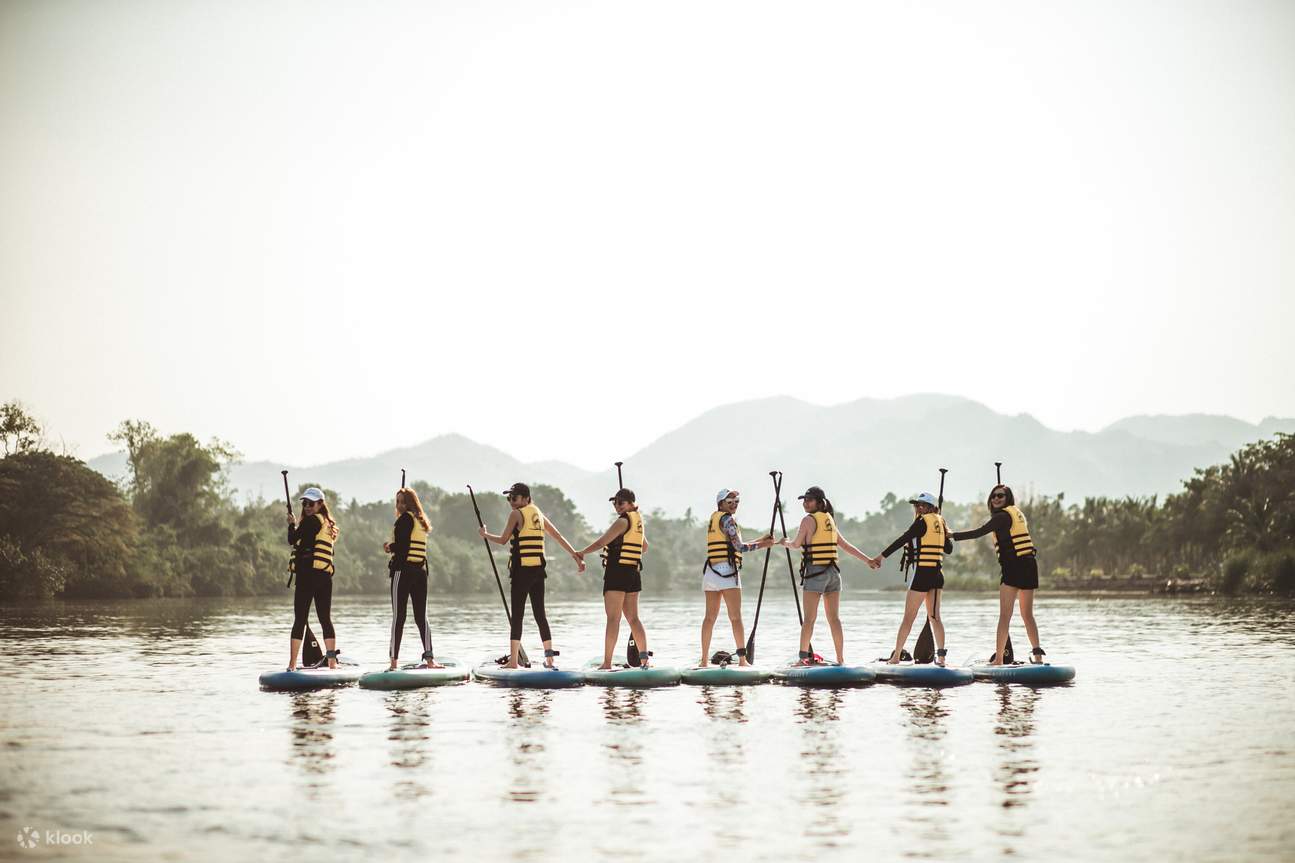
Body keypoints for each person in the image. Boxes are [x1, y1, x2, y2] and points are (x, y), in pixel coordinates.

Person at [479, 482, 584, 668]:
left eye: (515, 497)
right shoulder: (539, 514)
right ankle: (549, 659)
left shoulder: (516, 514)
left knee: (517, 615)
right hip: (538, 571)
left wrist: (485, 535)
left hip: (522, 571)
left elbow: (503, 540)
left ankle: (513, 662)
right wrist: (576, 557)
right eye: (509, 498)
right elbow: (558, 535)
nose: (511, 501)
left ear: (526, 498)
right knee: (540, 614)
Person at [779, 486, 878, 666]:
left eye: (809, 500)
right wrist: (868, 560)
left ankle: (802, 660)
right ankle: (840, 660)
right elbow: (845, 545)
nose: (805, 503)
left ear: (819, 502)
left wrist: (783, 542)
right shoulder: (829, 519)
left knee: (809, 619)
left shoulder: (808, 520)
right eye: (804, 500)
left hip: (815, 573)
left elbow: (795, 544)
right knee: (834, 619)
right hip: (833, 574)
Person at [950, 484, 1046, 665]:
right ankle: (1038, 657)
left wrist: (952, 535)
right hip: (1029, 565)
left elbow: (978, 532)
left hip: (1014, 568)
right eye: (993, 496)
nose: (996, 499)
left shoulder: (1001, 517)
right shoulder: (1016, 514)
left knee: (1005, 616)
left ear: (1007, 498)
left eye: (1000, 496)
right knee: (1027, 614)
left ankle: (999, 660)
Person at [874, 492, 954, 666]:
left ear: (932, 507)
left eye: (923, 505)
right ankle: (941, 658)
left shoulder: (921, 522)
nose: (919, 508)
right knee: (935, 617)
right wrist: (943, 532)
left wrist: (881, 557)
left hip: (922, 574)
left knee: (909, 617)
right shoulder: (941, 522)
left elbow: (902, 539)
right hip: (937, 575)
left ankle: (895, 657)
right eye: (917, 505)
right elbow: (949, 549)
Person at [699, 489, 775, 667]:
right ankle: (742, 660)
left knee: (709, 618)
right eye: (729, 502)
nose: (733, 505)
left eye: (736, 502)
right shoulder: (727, 519)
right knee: (735, 618)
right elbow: (740, 548)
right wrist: (764, 545)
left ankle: (703, 661)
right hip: (727, 573)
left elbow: (732, 545)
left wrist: (761, 539)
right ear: (721, 503)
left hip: (711, 573)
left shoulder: (715, 519)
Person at [579, 488, 652, 669]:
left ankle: (607, 663)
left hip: (617, 573)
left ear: (630, 503)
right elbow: (645, 547)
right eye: (615, 503)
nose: (617, 506)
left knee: (613, 619)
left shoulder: (622, 522)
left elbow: (601, 542)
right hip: (633, 574)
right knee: (633, 619)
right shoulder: (638, 522)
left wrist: (581, 553)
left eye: (621, 503)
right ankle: (644, 660)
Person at [382, 487, 442, 670]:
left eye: (403, 501)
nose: (399, 505)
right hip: (420, 573)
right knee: (421, 617)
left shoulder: (404, 520)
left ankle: (393, 663)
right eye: (397, 501)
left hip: (403, 572)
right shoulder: (421, 521)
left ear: (410, 503)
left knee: (398, 617)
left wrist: (389, 547)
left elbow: (402, 547)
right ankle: (430, 660)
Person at [285, 487, 340, 670]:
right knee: (325, 619)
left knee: (300, 619)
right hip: (324, 577)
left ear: (320, 504)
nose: (307, 507)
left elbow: (292, 539)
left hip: (308, 576)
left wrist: (291, 524)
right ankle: (332, 663)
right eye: (305, 503)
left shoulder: (310, 522)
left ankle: (292, 665)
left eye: (311, 503)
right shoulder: (327, 523)